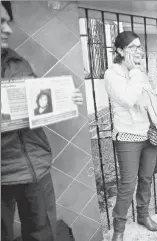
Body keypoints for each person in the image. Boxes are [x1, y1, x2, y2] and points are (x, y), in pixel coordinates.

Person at [1, 2, 84, 241]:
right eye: (1, 22)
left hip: (35, 166)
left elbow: (40, 104)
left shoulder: (19, 63)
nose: (8, 30)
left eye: (8, 22)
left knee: (42, 233)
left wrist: (65, 99)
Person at [104, 31, 157, 239]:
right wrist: (137, 73)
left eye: (139, 47)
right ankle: (118, 229)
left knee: (146, 179)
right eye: (132, 47)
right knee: (128, 185)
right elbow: (128, 100)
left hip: (149, 135)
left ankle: (143, 215)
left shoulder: (140, 72)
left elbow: (150, 100)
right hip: (128, 137)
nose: (138, 50)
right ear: (120, 51)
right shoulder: (112, 74)